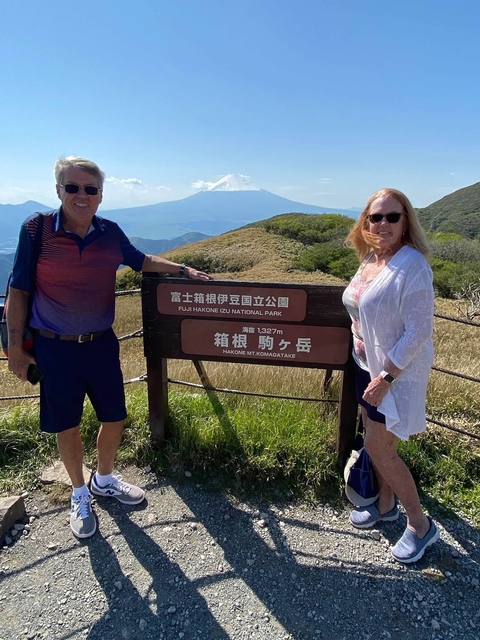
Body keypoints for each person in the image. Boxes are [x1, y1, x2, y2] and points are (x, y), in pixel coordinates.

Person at [7, 156, 213, 539]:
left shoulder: (110, 232)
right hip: (54, 348)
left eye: (90, 189)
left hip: (101, 344)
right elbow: (17, 290)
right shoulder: (36, 230)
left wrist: (182, 270)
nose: (81, 195)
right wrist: (15, 350)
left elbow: (140, 260)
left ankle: (103, 479)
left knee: (114, 417)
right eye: (73, 187)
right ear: (59, 191)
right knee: (66, 424)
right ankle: (79, 492)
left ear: (101, 195)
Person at [342, 188, 439, 564]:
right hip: (362, 363)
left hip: (390, 373)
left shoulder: (412, 265)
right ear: (365, 223)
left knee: (380, 447)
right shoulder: (371, 257)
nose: (382, 224)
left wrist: (386, 378)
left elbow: (418, 332)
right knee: (376, 438)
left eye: (392, 217)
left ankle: (420, 525)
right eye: (374, 217)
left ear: (405, 223)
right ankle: (386, 505)